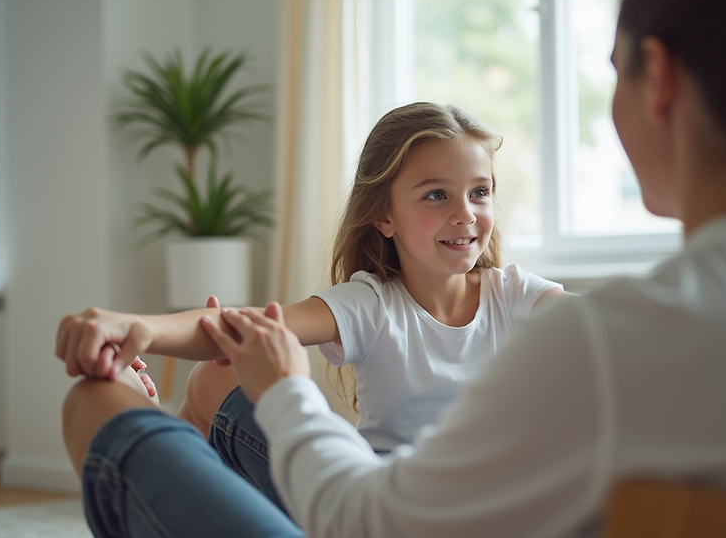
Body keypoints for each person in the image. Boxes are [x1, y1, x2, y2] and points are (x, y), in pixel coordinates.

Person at [58, 0, 726, 536]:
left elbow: (363, 515)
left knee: (96, 409)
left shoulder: (595, 343)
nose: (466, 215)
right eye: (436, 196)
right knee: (213, 392)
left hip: (375, 506)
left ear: (657, 77)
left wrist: (287, 391)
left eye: (612, 75)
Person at [59, 102, 567, 509]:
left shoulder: (516, 294)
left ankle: (178, 441)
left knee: (214, 381)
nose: (466, 214)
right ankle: (181, 434)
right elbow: (246, 325)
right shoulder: (373, 302)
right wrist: (138, 328)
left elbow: (600, 328)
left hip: (474, 504)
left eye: (480, 192)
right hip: (376, 497)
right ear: (383, 216)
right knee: (221, 375)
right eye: (437, 195)